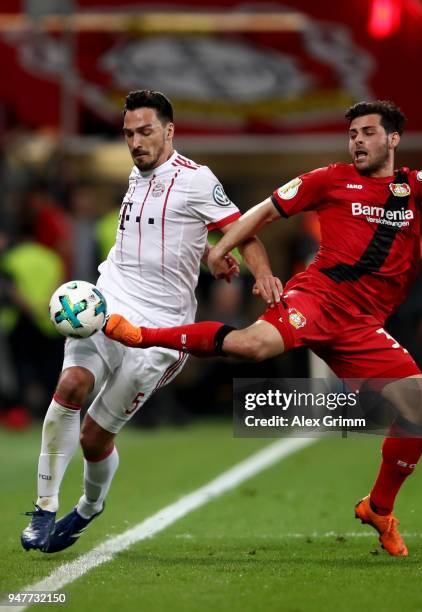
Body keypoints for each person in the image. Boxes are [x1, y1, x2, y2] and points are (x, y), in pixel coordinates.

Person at [105, 100, 422, 556]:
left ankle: (379, 508)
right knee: (252, 346)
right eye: (353, 133)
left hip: (362, 324)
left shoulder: (409, 186)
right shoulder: (328, 179)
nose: (357, 140)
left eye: (368, 132)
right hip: (317, 299)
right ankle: (142, 334)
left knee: (421, 409)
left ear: (392, 139)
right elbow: (263, 211)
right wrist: (223, 249)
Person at [21, 89, 281, 553]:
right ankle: (42, 509)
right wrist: (206, 251)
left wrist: (259, 275)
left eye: (145, 132)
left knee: (94, 437)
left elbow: (244, 229)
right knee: (72, 385)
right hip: (109, 301)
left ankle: (87, 507)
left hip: (160, 330)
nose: (136, 142)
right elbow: (162, 233)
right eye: (128, 134)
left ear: (169, 131)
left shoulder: (197, 179)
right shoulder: (135, 175)